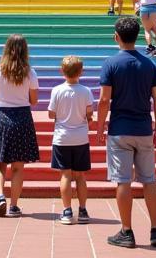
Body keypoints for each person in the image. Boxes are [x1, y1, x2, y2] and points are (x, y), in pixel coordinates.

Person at [96, 16, 156, 249]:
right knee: (149, 180)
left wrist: (99, 126)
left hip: (120, 130)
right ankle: (155, 230)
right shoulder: (149, 65)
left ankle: (127, 231)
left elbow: (105, 99)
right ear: (137, 36)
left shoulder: (111, 64)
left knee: (123, 181)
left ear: (116, 37)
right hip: (144, 129)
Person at [0, 34, 40, 218]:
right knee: (18, 166)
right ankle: (14, 206)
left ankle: (0, 195)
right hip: (23, 117)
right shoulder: (30, 72)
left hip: (3, 117)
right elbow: (34, 101)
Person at [48, 55, 94, 225]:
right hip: (81, 137)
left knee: (65, 175)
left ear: (62, 71)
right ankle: (83, 210)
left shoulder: (57, 90)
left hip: (62, 138)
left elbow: (51, 113)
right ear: (81, 72)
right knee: (80, 176)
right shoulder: (86, 91)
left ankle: (67, 211)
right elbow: (89, 113)